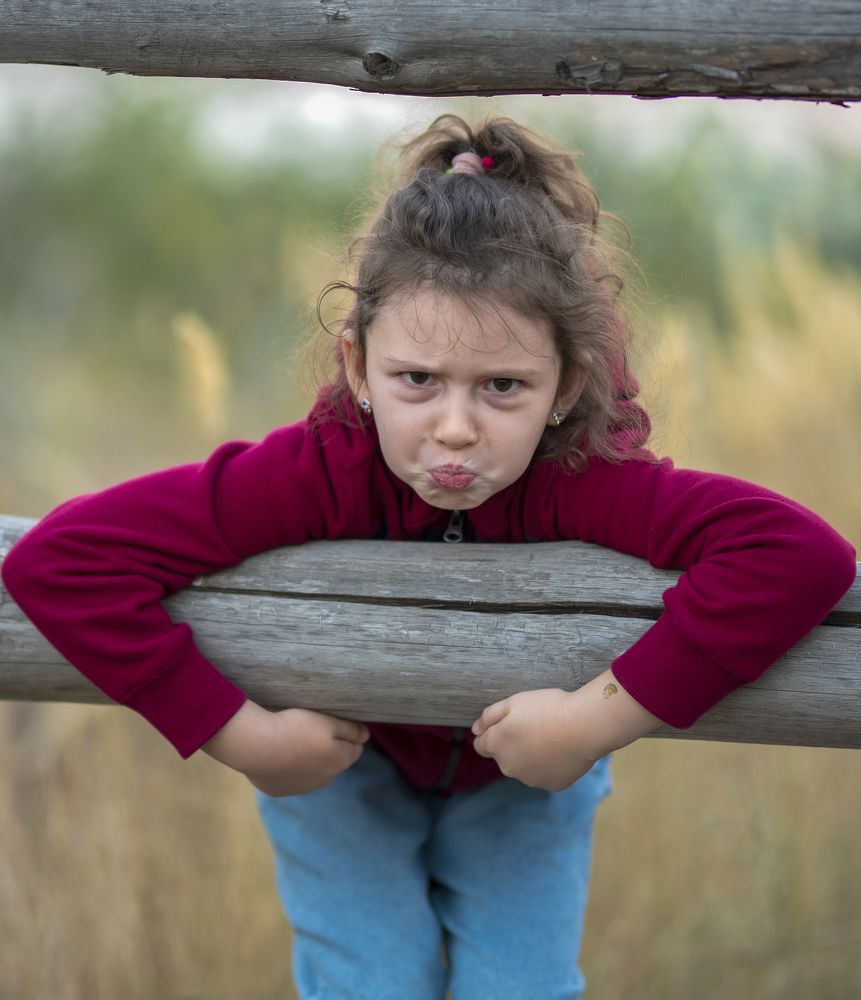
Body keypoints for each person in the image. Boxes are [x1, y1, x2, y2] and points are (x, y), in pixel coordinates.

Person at [1, 114, 855, 1000]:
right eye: (417, 381)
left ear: (564, 385)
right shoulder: (315, 471)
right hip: (340, 771)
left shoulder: (583, 478)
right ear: (358, 364)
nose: (454, 427)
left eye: (502, 387)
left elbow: (798, 554)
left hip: (527, 778)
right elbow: (59, 561)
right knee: (372, 984)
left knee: (520, 991)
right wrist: (245, 739)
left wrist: (592, 726)